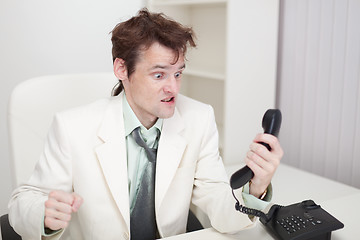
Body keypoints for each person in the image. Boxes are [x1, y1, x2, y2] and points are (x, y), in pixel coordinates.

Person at [8, 8, 283, 240]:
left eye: (178, 73)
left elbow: (221, 209)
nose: (173, 88)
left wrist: (255, 188)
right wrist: (44, 214)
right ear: (122, 69)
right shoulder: (72, 127)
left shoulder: (199, 118)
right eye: (159, 74)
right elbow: (23, 201)